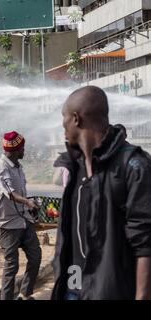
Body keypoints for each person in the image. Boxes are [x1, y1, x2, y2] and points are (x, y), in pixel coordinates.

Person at [52, 86, 151, 300]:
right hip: (72, 289)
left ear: (76, 119)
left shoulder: (134, 166)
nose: (63, 125)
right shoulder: (73, 166)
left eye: (64, 117)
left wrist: (142, 295)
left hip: (110, 291)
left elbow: (145, 241)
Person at [0, 131, 42, 300]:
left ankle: (25, 294)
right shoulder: (1, 167)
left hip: (23, 220)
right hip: (7, 224)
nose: (24, 151)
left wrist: (31, 206)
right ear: (13, 150)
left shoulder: (19, 167)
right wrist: (27, 202)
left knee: (35, 256)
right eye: (22, 148)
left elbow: (21, 193)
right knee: (12, 264)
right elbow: (10, 193)